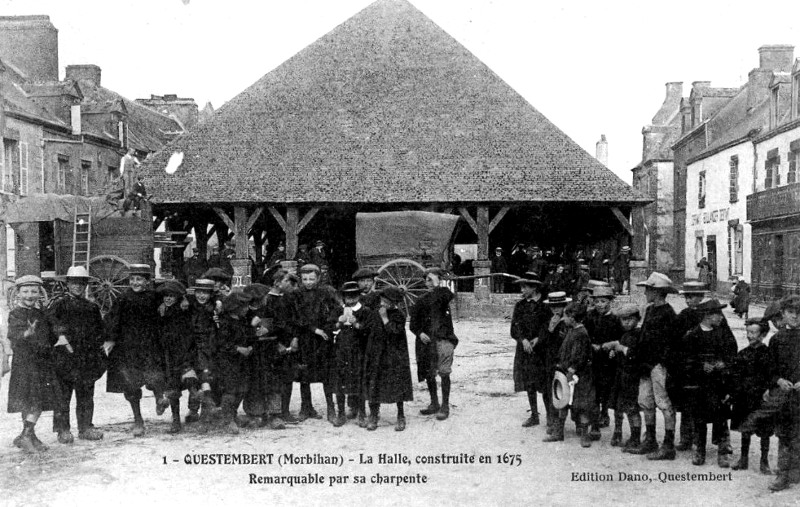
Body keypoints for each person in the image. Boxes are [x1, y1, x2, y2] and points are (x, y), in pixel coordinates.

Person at [103, 264, 168, 437]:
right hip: (128, 347)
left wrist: (177, 301)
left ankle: (159, 398)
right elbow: (112, 319)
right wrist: (110, 338)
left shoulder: (155, 297)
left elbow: (173, 294)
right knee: (131, 385)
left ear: (147, 281)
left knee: (155, 376)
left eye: (139, 279)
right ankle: (138, 420)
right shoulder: (123, 298)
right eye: (132, 279)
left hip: (150, 345)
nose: (135, 282)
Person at [47, 266, 106, 443]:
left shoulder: (92, 307)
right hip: (65, 357)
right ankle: (63, 430)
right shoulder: (58, 305)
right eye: (74, 283)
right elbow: (50, 323)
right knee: (63, 396)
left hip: (86, 358)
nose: (78, 287)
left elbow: (100, 330)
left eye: (81, 283)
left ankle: (86, 427)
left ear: (86, 285)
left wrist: (98, 349)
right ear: (67, 284)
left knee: (86, 395)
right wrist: (61, 334)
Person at [677, 298, 737, 467]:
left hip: (719, 383)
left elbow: (732, 353)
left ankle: (723, 450)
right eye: (717, 314)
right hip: (699, 385)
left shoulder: (723, 334)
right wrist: (700, 366)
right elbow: (684, 360)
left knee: (721, 415)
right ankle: (698, 449)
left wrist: (723, 363)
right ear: (706, 316)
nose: (721, 317)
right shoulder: (692, 336)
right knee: (699, 417)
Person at [6, 275, 62, 453]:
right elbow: (13, 336)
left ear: (39, 293)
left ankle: (28, 435)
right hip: (25, 363)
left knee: (35, 400)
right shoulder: (15, 314)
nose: (29, 295)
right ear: (18, 293)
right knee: (31, 401)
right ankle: (26, 435)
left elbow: (50, 334)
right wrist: (27, 333)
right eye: (25, 291)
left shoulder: (41, 314)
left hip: (42, 362)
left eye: (34, 291)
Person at [631, 272, 678, 460]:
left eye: (648, 290)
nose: (645, 293)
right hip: (645, 364)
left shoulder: (668, 314)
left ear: (658, 292)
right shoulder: (650, 310)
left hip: (658, 366)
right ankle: (650, 439)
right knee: (645, 401)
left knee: (664, 403)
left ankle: (668, 446)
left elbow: (671, 345)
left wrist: (660, 364)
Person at [410, 267, 458, 421]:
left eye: (431, 279)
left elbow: (446, 295)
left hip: (443, 339)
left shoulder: (444, 295)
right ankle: (434, 403)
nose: (428, 282)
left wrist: (438, 284)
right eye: (426, 279)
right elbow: (413, 324)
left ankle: (444, 405)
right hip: (427, 342)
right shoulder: (420, 300)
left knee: (444, 372)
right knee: (429, 373)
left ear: (438, 281)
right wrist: (419, 333)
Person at [363, 287, 414, 431]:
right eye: (383, 300)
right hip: (376, 353)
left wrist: (385, 318)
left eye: (388, 302)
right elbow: (366, 330)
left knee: (397, 384)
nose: (384, 304)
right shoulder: (373, 314)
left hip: (393, 355)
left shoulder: (399, 315)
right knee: (375, 382)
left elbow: (395, 332)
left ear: (395, 303)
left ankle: (400, 415)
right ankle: (373, 414)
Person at [546, 301, 595, 448]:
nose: (564, 319)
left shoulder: (581, 333)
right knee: (562, 401)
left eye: (566, 316)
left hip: (578, 375)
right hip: (566, 371)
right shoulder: (572, 331)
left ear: (572, 317)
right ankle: (558, 432)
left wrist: (572, 369)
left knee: (582, 405)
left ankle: (585, 435)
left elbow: (579, 356)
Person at [294, 264, 339, 422]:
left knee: (326, 374)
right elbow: (297, 316)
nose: (308, 282)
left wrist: (327, 327)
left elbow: (336, 310)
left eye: (312, 279)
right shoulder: (297, 294)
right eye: (305, 279)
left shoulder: (327, 292)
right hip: (306, 339)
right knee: (304, 375)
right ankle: (306, 407)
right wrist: (314, 329)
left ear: (318, 278)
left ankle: (330, 408)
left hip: (323, 340)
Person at [156, 280, 200, 434]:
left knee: (192, 382)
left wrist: (185, 299)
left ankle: (193, 410)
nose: (168, 299)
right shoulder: (161, 311)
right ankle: (175, 420)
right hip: (168, 355)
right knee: (172, 388)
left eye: (171, 296)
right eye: (165, 296)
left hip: (185, 353)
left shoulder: (185, 310)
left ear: (178, 298)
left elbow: (197, 300)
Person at [766, 295, 800, 491]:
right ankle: (783, 473)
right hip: (786, 397)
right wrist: (778, 380)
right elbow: (769, 368)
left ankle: (796, 470)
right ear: (783, 315)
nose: (795, 317)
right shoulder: (777, 339)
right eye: (791, 313)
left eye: (799, 313)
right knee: (785, 434)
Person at [730, 318, 773, 474]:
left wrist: (768, 389)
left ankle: (764, 461)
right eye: (748, 332)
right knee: (745, 428)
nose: (750, 336)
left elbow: (771, 375)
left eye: (754, 332)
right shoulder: (743, 354)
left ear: (762, 335)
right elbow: (736, 375)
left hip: (760, 397)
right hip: (745, 397)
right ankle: (743, 458)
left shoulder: (768, 354)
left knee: (765, 430)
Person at [329, 282, 373, 427]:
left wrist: (356, 324)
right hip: (341, 349)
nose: (351, 299)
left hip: (358, 349)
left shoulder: (365, 311)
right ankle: (341, 413)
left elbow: (368, 330)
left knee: (359, 380)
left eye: (354, 296)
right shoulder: (338, 310)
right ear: (343, 297)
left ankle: (361, 413)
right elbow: (330, 327)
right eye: (348, 296)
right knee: (340, 380)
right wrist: (338, 323)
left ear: (359, 296)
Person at [509, 275, 551, 427]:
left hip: (542, 351)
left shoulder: (545, 305)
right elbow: (514, 327)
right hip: (525, 351)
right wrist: (523, 340)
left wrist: (539, 338)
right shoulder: (520, 306)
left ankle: (550, 417)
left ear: (534, 287)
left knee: (545, 384)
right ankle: (534, 415)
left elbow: (548, 326)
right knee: (529, 383)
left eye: (525, 287)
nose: (522, 290)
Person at [245, 283, 287, 430]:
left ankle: (275, 414)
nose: (263, 300)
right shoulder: (244, 313)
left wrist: (268, 329)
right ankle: (257, 414)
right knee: (255, 384)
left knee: (273, 383)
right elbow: (239, 332)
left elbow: (281, 326)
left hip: (270, 352)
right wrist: (251, 329)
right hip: (253, 354)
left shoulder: (270, 310)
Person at [602, 304, 644, 452]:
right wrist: (616, 352)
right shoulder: (624, 335)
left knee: (632, 408)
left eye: (630, 319)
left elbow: (637, 354)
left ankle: (635, 438)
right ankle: (618, 432)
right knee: (618, 406)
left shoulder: (639, 334)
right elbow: (621, 349)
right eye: (623, 320)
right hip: (620, 376)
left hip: (632, 377)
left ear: (637, 319)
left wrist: (622, 349)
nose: (626, 323)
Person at [585, 285, 623, 439]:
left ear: (610, 302)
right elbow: (585, 334)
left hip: (609, 360)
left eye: (603, 301)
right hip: (593, 358)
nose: (600, 304)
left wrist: (614, 347)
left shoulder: (615, 319)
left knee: (607, 388)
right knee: (593, 390)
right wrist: (591, 345)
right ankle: (594, 425)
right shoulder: (589, 317)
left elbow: (621, 337)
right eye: (597, 301)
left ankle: (605, 412)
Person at [215, 292, 255, 434]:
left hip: (242, 361)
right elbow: (221, 343)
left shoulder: (243, 320)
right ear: (235, 307)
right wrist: (237, 349)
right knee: (230, 390)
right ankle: (227, 419)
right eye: (244, 306)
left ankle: (234, 414)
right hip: (228, 361)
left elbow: (249, 336)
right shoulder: (224, 322)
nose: (247, 309)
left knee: (242, 389)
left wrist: (250, 346)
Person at [184, 278, 220, 427]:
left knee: (206, 377)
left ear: (211, 294)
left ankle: (206, 411)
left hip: (209, 347)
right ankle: (193, 410)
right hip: (191, 346)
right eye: (199, 292)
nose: (201, 296)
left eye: (205, 293)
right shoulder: (190, 306)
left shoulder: (214, 308)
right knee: (193, 378)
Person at [540, 292, 571, 438]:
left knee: (562, 392)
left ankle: (561, 424)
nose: (556, 310)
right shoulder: (548, 321)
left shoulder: (568, 322)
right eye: (553, 307)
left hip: (563, 361)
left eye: (559, 306)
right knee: (549, 391)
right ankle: (551, 419)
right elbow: (542, 341)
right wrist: (549, 330)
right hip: (549, 361)